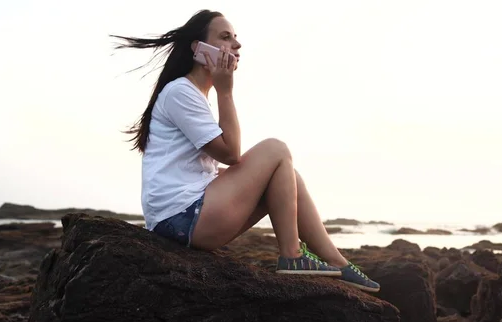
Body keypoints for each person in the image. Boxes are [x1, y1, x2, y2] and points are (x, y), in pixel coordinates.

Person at [112, 9, 380, 292]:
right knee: (276, 150)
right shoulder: (180, 92)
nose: (236, 45)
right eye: (225, 37)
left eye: (236, 38)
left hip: (187, 217)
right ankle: (292, 256)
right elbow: (230, 153)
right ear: (197, 48)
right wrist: (225, 91)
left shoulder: (191, 93)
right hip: (182, 218)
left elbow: (214, 165)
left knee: (287, 175)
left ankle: (338, 263)